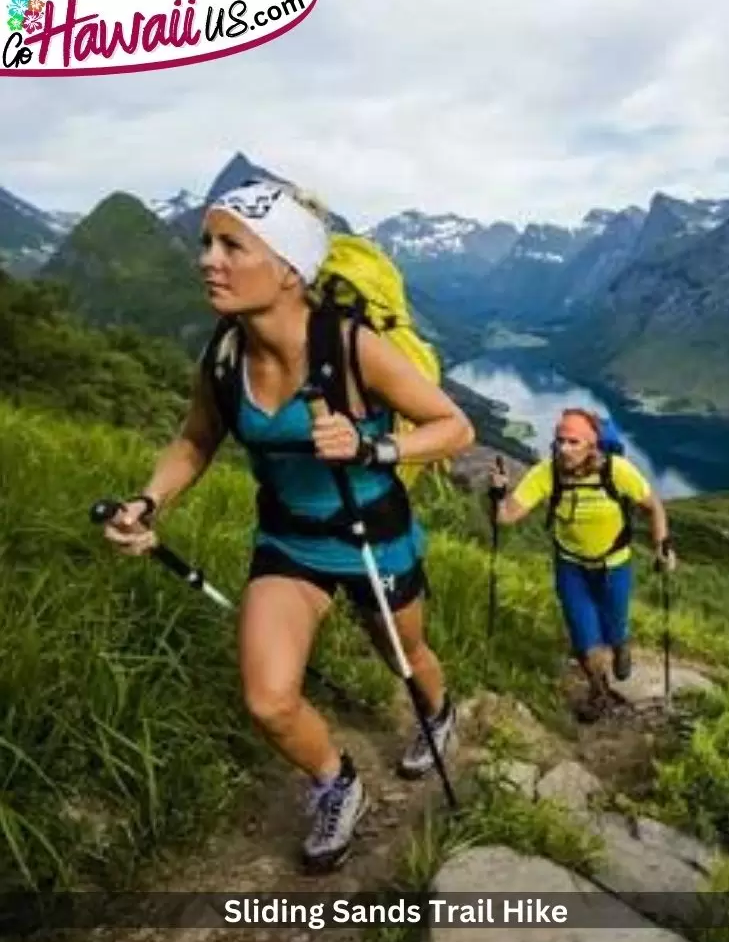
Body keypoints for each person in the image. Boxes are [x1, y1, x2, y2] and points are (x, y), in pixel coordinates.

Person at [102, 179, 475, 872]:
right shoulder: (223, 354)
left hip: (373, 537)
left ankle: (440, 711)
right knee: (268, 700)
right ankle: (338, 783)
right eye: (207, 244)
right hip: (289, 543)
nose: (208, 260)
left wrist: (373, 448)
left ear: (287, 269)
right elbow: (194, 440)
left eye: (231, 246)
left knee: (404, 656)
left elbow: (454, 427)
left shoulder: (352, 346)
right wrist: (148, 503)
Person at [489, 408, 676, 722]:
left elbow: (652, 505)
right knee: (584, 638)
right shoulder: (546, 473)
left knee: (614, 627)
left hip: (614, 566)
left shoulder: (617, 471)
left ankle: (620, 645)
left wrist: (662, 545)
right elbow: (504, 516)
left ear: (592, 445)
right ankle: (599, 692)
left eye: (573, 442)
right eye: (559, 441)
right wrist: (497, 493)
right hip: (571, 567)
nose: (564, 448)